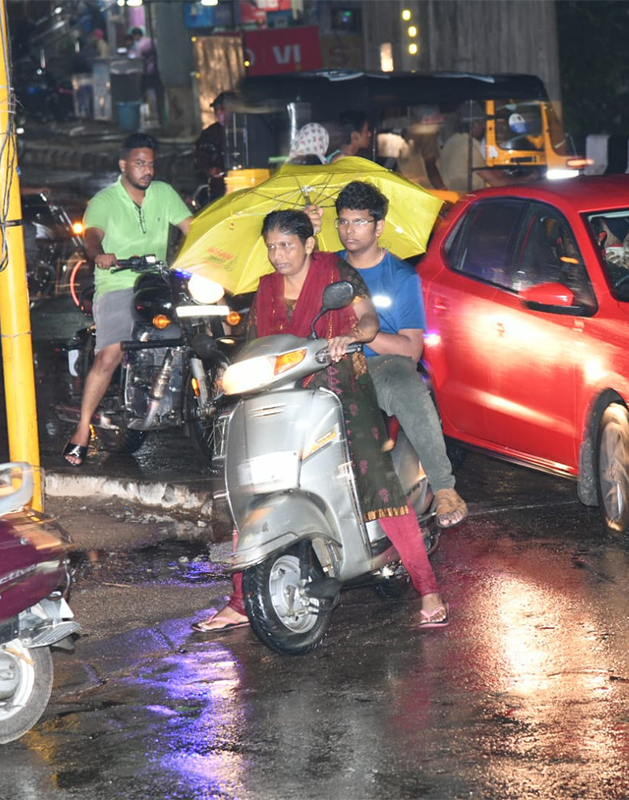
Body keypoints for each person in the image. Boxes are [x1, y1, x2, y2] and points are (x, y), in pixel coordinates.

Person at [192, 210, 449, 633]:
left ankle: (428, 588)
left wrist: (353, 336)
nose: (278, 256)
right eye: (272, 247)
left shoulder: (335, 271)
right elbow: (259, 341)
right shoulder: (267, 287)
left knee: (375, 481)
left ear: (309, 244)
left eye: (287, 245)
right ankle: (240, 600)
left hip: (339, 386)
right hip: (282, 390)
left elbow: (365, 316)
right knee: (248, 486)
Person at [328, 181, 468, 528]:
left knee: (408, 387)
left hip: (382, 367)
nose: (349, 230)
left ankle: (445, 487)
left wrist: (364, 334)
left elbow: (410, 349)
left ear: (379, 226)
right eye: (343, 222)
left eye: (359, 222)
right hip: (329, 362)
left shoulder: (401, 277)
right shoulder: (327, 268)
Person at [64, 133, 192, 466]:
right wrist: (100, 255)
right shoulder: (104, 201)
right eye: (139, 163)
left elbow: (193, 226)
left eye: (150, 164)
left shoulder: (163, 193)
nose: (146, 170)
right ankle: (81, 429)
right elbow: (92, 236)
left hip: (158, 282)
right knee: (110, 354)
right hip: (118, 283)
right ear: (124, 165)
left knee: (196, 327)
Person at [438, 100, 509, 193]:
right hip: (466, 199)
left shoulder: (452, 141)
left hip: (453, 198)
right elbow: (497, 182)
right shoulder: (470, 146)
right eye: (482, 123)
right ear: (475, 125)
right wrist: (527, 178)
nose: (484, 127)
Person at [193, 91, 235, 204]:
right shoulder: (209, 134)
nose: (220, 114)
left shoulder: (245, 130)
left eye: (224, 110)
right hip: (218, 189)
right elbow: (200, 159)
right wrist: (210, 170)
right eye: (217, 111)